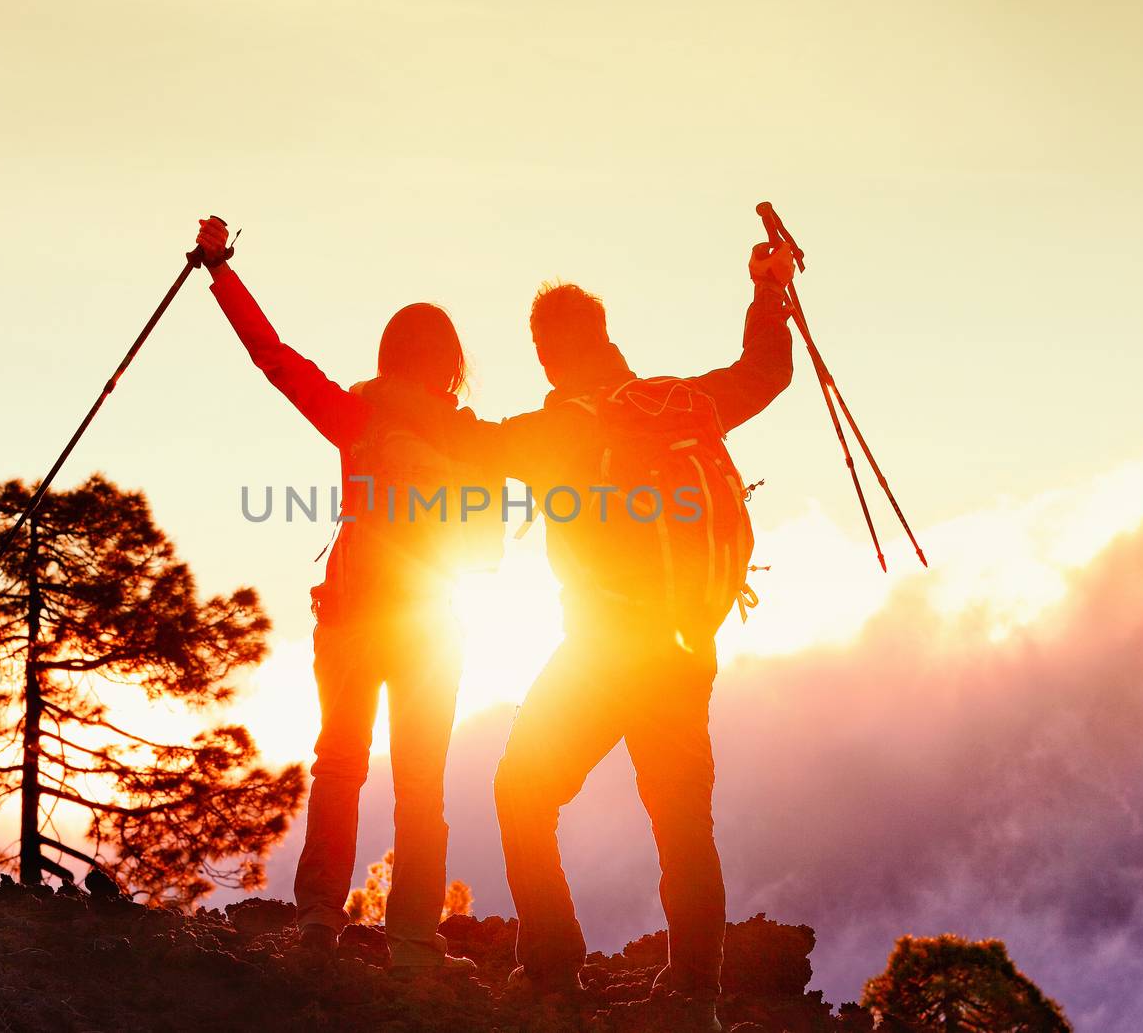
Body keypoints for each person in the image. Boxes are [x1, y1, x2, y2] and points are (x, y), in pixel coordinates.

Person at [480, 241, 796, 1030]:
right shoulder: (682, 401)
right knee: (684, 820)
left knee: (522, 789)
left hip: (600, 651)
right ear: (606, 334)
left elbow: (470, 452)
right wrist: (768, 290)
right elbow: (766, 373)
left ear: (550, 355)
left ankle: (551, 965)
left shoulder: (560, 426)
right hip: (685, 645)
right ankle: (694, 992)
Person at [193, 217, 496, 974]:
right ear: (449, 368)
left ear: (388, 358)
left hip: (352, 614)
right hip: (433, 626)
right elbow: (488, 550)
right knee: (422, 785)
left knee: (339, 766)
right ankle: (416, 945)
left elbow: (275, 359)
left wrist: (220, 272)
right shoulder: (472, 442)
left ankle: (318, 923)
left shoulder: (356, 417)